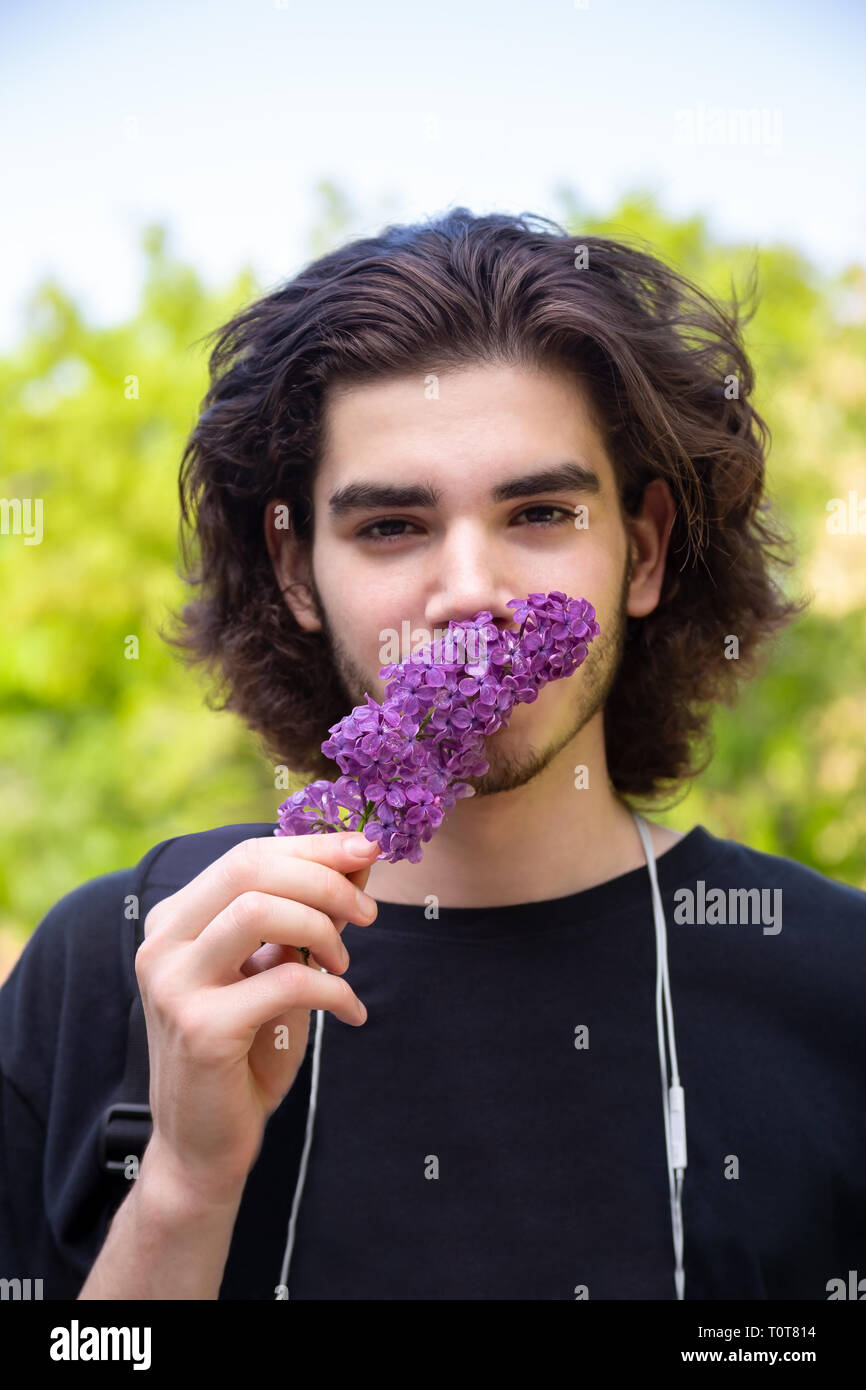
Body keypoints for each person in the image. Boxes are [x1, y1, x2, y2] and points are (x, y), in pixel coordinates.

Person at [1, 209, 863, 1302]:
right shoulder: (112, 969)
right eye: (391, 526)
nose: (468, 591)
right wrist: (181, 1184)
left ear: (640, 550)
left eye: (539, 511)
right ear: (298, 571)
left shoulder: (837, 983)